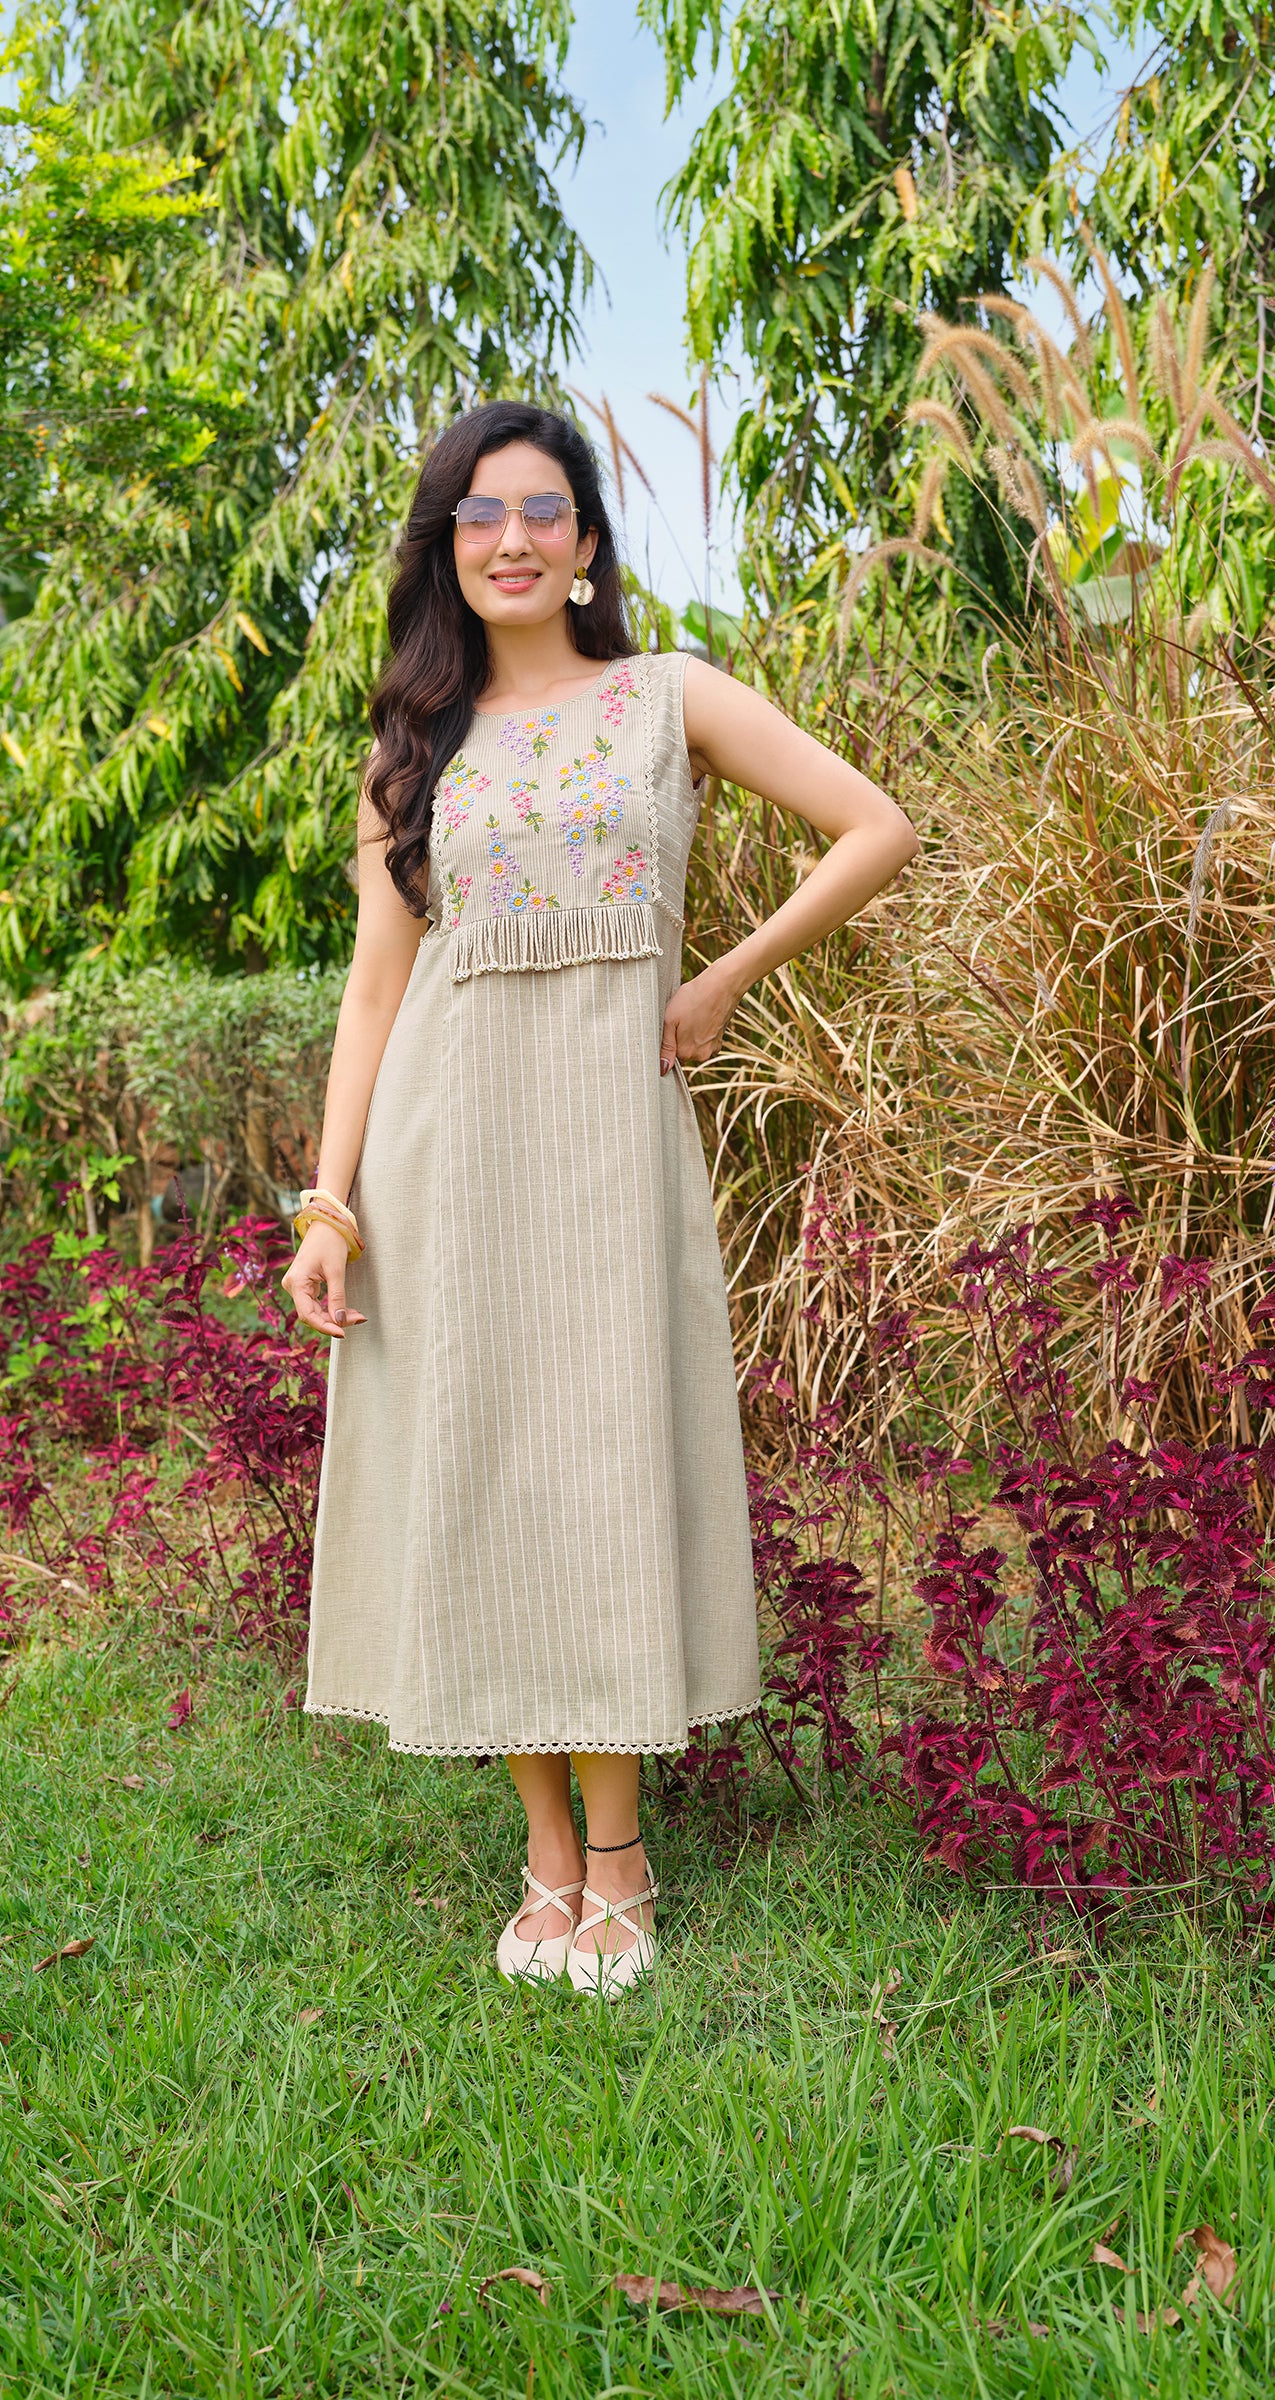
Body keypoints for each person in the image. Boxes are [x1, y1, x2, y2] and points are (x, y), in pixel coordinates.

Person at [287, 400, 917, 1998]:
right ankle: (545, 1856)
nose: (512, 538)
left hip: (609, 1143)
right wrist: (328, 1204)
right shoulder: (414, 752)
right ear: (447, 547)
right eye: (479, 515)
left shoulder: (665, 698)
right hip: (447, 1151)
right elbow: (373, 999)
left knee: (601, 1453)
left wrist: (717, 983)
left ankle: (622, 1853)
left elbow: (875, 827)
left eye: (543, 511)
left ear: (585, 545)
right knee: (482, 1461)